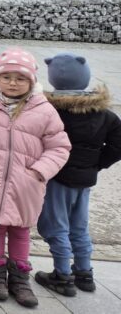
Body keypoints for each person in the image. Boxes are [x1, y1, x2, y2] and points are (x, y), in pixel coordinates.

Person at [0, 48, 70, 307]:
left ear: (31, 81)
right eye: (7, 77)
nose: (13, 83)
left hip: (26, 183)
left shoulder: (44, 111)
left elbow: (60, 147)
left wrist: (39, 171)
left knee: (20, 229)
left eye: (20, 78)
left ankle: (19, 279)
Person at [35, 53, 121, 296]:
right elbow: (118, 144)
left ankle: (62, 275)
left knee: (56, 225)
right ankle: (84, 273)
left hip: (57, 177)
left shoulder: (51, 110)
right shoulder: (103, 113)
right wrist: (96, 164)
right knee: (79, 226)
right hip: (85, 179)